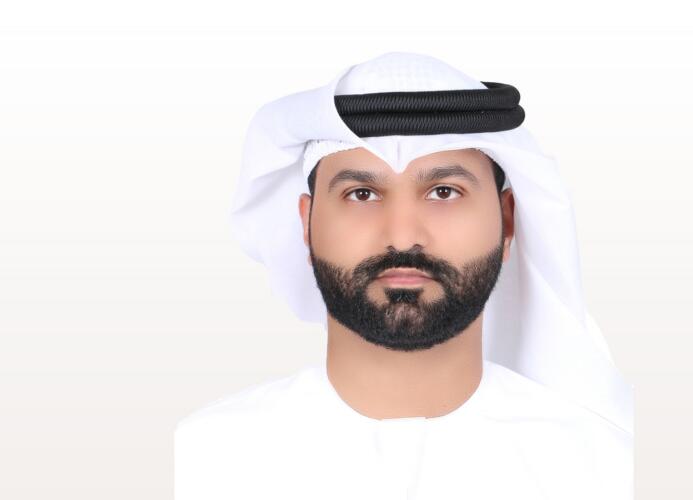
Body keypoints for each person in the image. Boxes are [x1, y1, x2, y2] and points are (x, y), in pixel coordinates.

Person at [175, 51, 634, 500]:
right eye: (361, 194)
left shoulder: (605, 471)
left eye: (443, 192)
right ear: (307, 226)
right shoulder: (201, 464)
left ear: (508, 221)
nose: (402, 236)